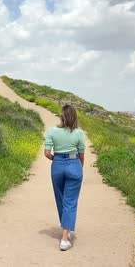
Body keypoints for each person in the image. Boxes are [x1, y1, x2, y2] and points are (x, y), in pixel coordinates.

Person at [44, 104, 85, 251]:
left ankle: (66, 231)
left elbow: (47, 153)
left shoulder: (52, 131)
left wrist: (57, 159)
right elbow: (81, 156)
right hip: (74, 165)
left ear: (62, 116)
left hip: (58, 165)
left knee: (61, 198)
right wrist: (79, 168)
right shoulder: (79, 133)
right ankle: (64, 238)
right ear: (74, 117)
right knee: (70, 201)